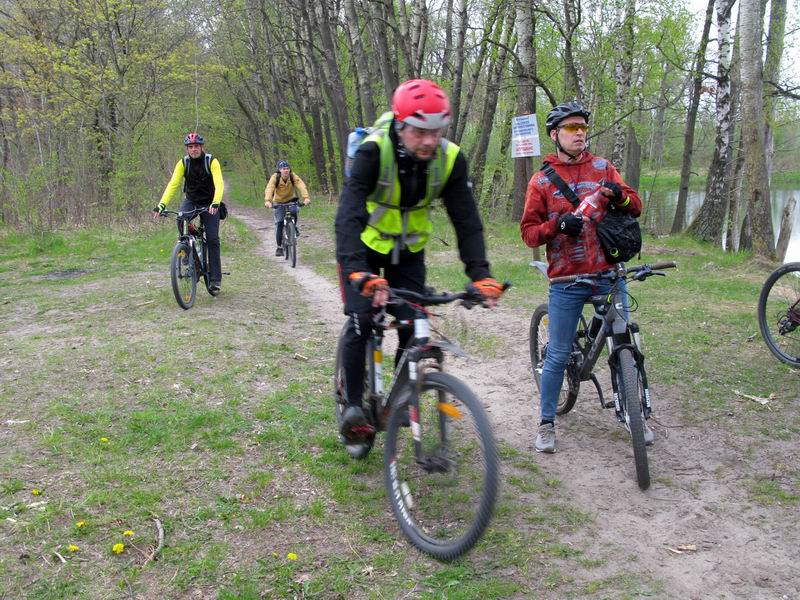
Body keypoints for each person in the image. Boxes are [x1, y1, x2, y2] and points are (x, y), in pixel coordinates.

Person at [335, 78, 505, 441]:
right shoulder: (372, 152)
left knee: (414, 323)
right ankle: (352, 406)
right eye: (418, 131)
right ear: (400, 126)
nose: (429, 140)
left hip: (408, 254)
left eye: (436, 130)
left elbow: (467, 220)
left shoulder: (450, 159)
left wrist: (480, 274)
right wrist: (357, 272)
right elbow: (348, 215)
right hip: (363, 248)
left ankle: (398, 399)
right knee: (362, 319)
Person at [520, 101, 647, 453]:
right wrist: (558, 225)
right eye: (571, 128)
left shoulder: (604, 168)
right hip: (567, 279)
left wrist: (620, 196)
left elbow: (635, 206)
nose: (579, 134)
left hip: (609, 272)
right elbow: (529, 233)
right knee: (559, 354)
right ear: (555, 135)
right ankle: (546, 423)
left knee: (624, 341)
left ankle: (635, 416)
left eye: (582, 128)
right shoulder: (542, 181)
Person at [155, 132, 225, 293]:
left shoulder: (211, 161)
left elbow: (219, 183)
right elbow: (173, 184)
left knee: (213, 238)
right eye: (190, 147)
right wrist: (161, 205)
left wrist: (215, 202)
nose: (194, 149)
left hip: (210, 203)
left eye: (197, 146)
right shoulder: (183, 163)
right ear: (187, 149)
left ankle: (215, 279)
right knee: (180, 218)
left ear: (202, 147)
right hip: (192, 200)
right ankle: (188, 247)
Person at [264, 160, 311, 256]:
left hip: (290, 200)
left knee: (295, 210)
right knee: (279, 223)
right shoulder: (275, 177)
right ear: (280, 170)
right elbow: (270, 188)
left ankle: (294, 227)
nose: (286, 170)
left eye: (287, 168)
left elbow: (301, 185)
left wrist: (306, 198)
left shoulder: (293, 176)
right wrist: (268, 201)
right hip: (278, 201)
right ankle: (279, 247)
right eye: (283, 169)